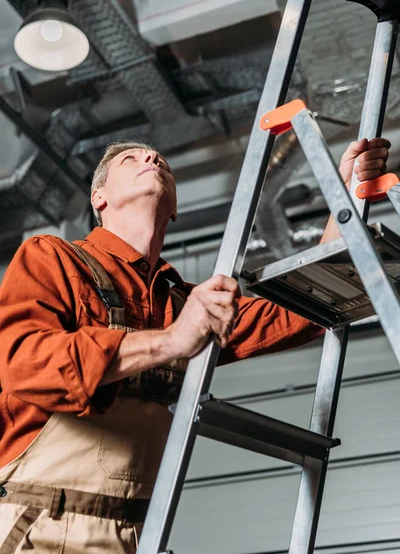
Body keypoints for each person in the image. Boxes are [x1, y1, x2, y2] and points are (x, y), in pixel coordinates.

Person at [0, 135, 390, 553]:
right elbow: (24, 365)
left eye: (160, 158)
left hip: (133, 538)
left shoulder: (186, 303)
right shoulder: (53, 258)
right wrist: (170, 341)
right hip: (34, 530)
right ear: (99, 198)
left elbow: (307, 310)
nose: (151, 156)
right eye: (131, 159)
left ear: (175, 209)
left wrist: (344, 199)